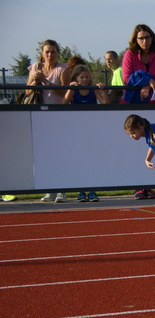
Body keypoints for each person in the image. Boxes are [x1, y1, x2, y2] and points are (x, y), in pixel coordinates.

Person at [27, 40, 71, 203]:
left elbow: (64, 92)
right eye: (47, 51)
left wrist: (46, 81)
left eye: (53, 51)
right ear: (42, 53)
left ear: (57, 53)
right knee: (44, 154)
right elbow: (27, 91)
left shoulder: (63, 68)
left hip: (58, 114)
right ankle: (50, 189)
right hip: (39, 115)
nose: (50, 55)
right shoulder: (34, 68)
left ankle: (62, 190)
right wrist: (35, 81)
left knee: (59, 152)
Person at [63, 63, 109, 202]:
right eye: (82, 77)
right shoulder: (75, 90)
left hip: (92, 128)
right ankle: (81, 191)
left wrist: (103, 90)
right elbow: (64, 103)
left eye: (87, 77)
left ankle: (92, 190)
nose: (85, 80)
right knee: (79, 160)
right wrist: (71, 89)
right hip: (77, 129)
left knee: (92, 159)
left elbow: (105, 104)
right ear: (76, 78)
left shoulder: (92, 89)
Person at [122, 24, 155, 104]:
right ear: (136, 39)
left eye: (147, 37)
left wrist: (149, 85)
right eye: (141, 38)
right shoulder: (129, 54)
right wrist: (148, 81)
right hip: (133, 102)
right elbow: (127, 78)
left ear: (152, 38)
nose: (145, 41)